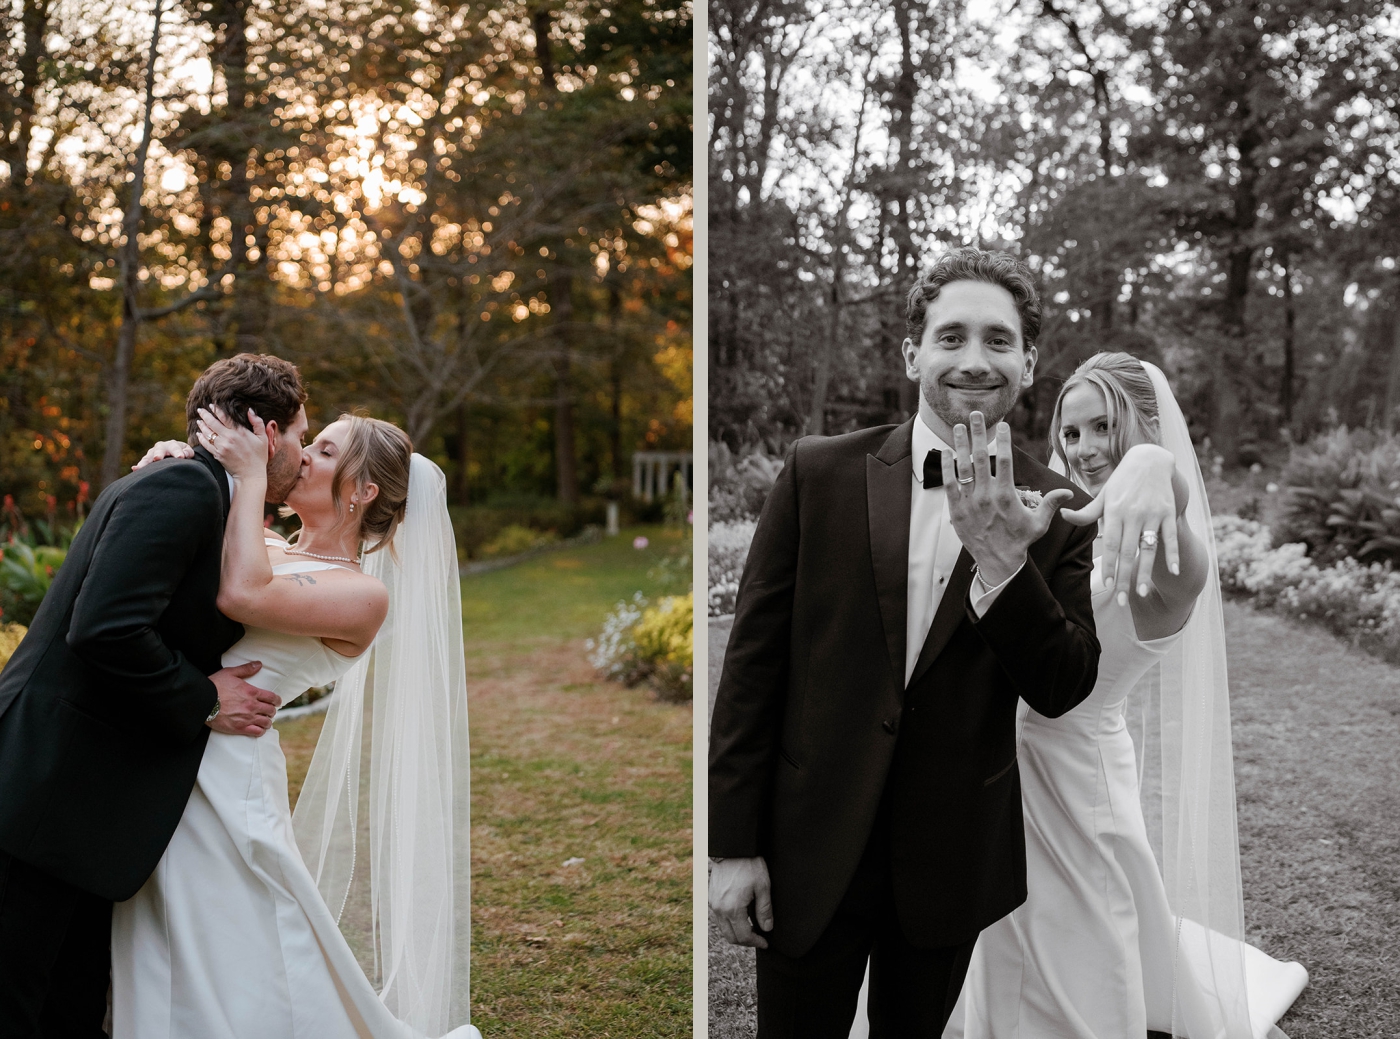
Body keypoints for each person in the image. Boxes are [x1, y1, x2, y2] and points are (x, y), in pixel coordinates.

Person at [709, 246, 1103, 1038]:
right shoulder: (817, 472)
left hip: (951, 857)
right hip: (807, 844)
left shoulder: (1061, 508)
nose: (973, 360)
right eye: (951, 336)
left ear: (1029, 361)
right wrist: (732, 848)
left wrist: (1001, 560)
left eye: (998, 340)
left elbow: (1063, 682)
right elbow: (754, 666)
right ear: (912, 351)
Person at [943, 352, 1308, 1039]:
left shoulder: (1171, 557)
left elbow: (1185, 554)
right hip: (1000, 778)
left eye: (1103, 426)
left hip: (1077, 787)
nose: (1083, 449)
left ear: (1145, 423)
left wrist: (1155, 467)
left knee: (1081, 971)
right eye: (1070, 432)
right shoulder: (1065, 528)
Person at [116, 405, 478, 1039]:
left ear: (363, 492)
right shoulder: (268, 542)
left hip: (228, 777)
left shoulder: (362, 596)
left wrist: (250, 475)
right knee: (165, 932)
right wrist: (177, 465)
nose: (304, 455)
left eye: (329, 452)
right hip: (173, 747)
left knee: (244, 941)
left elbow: (241, 597)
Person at [0, 354, 305, 1038]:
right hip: (42, 788)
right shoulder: (179, 489)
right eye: (300, 434)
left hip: (85, 803)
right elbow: (104, 626)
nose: (303, 457)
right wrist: (202, 697)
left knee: (69, 1006)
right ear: (268, 431)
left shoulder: (208, 496)